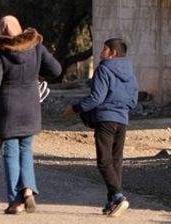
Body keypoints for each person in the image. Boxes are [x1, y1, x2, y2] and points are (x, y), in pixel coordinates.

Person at [0, 15, 62, 215]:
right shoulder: (36, 47)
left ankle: (15, 202)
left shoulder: (0, 51)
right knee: (26, 151)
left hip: (7, 110)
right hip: (30, 109)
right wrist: (35, 72)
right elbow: (56, 70)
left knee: (10, 154)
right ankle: (27, 188)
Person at [64, 38, 138, 217]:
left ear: (112, 53)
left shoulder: (103, 69)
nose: (100, 53)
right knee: (116, 161)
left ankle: (119, 196)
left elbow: (96, 98)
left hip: (105, 119)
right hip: (122, 120)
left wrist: (75, 108)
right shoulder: (131, 73)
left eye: (104, 50)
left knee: (104, 162)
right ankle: (111, 201)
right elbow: (134, 101)